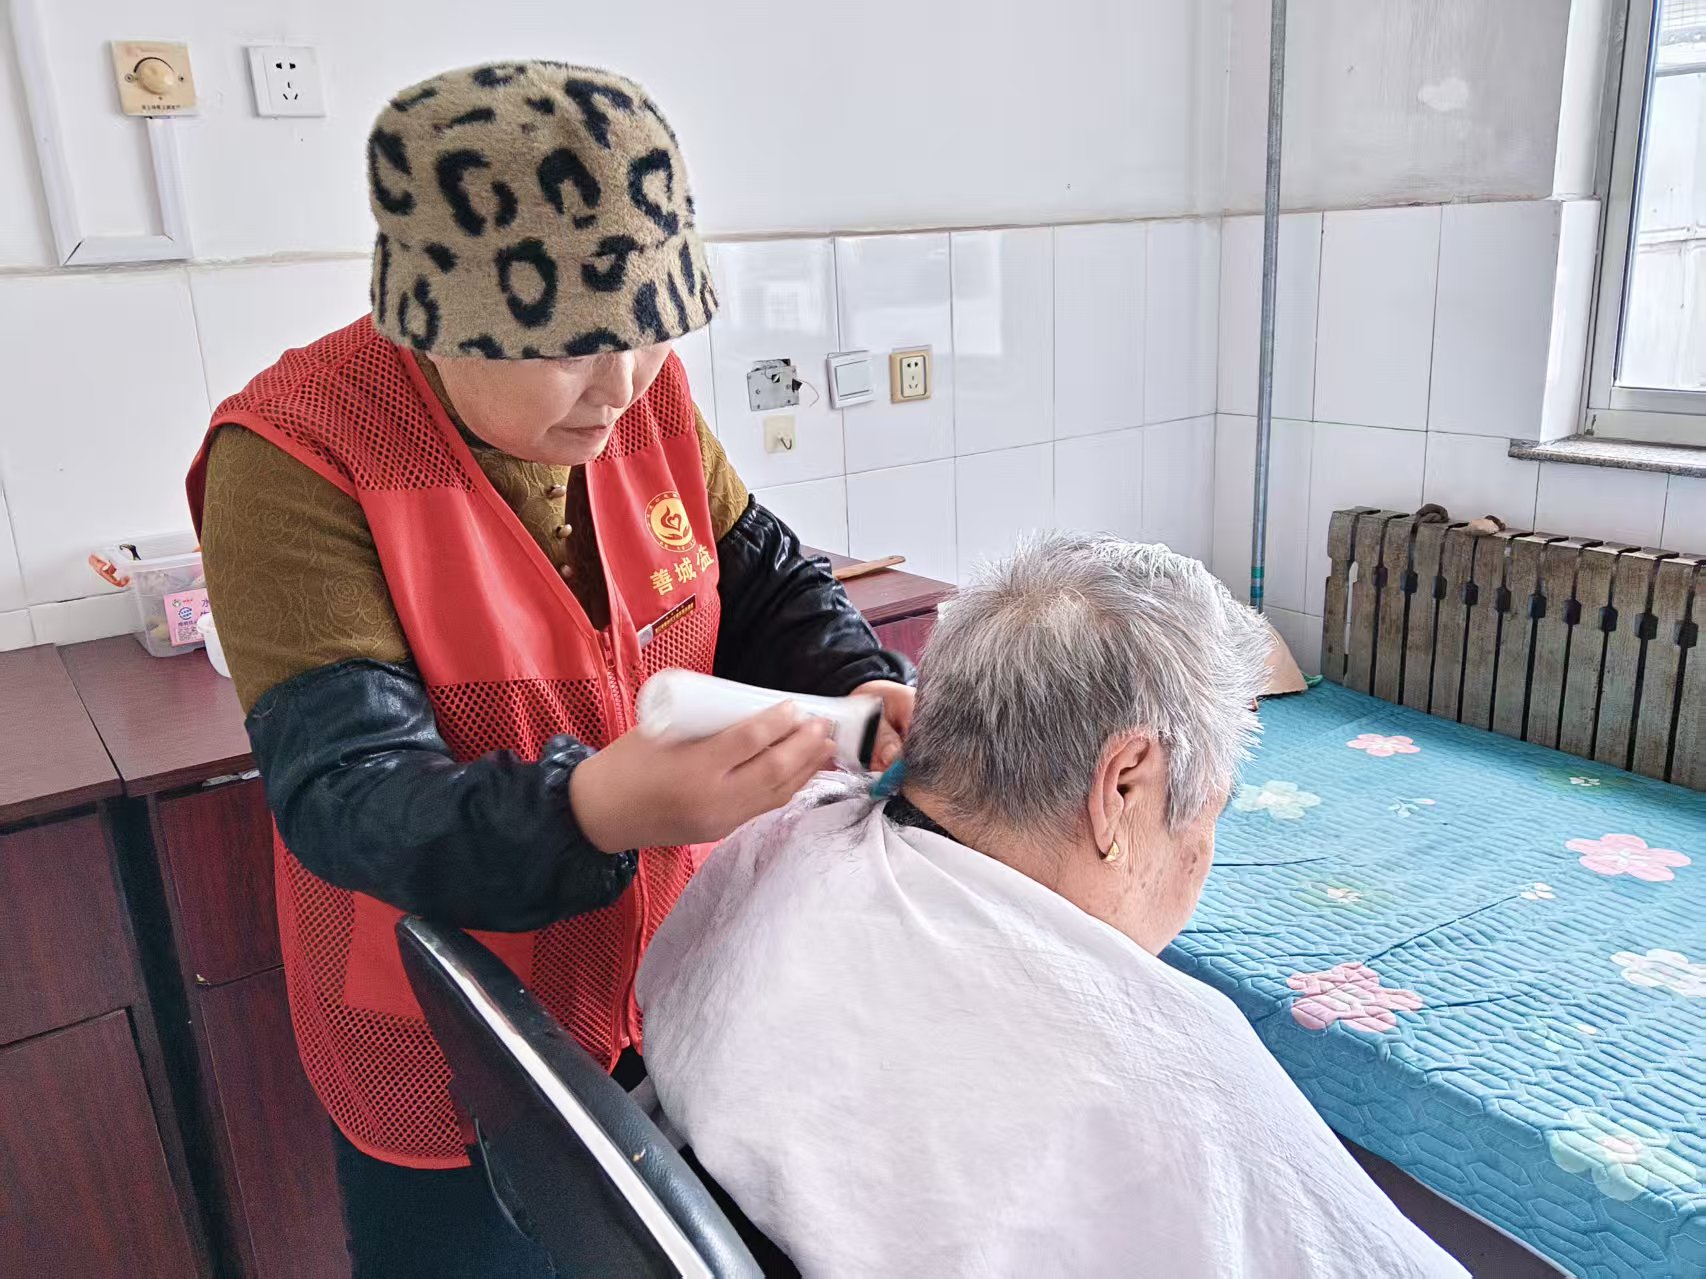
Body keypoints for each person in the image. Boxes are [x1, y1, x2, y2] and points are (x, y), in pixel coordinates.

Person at [187, 61, 913, 1277]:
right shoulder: (296, 456)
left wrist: (860, 683)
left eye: (648, 330)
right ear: (437, 317)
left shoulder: (644, 399)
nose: (621, 386)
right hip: (453, 1045)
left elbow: (766, 584)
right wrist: (595, 809)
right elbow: (351, 796)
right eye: (569, 347)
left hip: (664, 992)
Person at [638, 535, 1467, 1278]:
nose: (1205, 844)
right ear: (1122, 785)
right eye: (1215, 805)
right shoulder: (1170, 1081)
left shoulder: (789, 842)